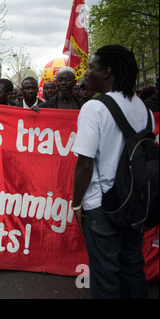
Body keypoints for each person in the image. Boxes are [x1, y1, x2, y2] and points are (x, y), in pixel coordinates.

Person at [71, 45, 154, 298]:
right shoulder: (143, 108)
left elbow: (85, 164)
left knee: (105, 275)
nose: (86, 74)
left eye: (91, 68)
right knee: (132, 269)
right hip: (135, 204)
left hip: (101, 206)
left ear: (106, 71)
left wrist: (76, 204)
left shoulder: (94, 108)